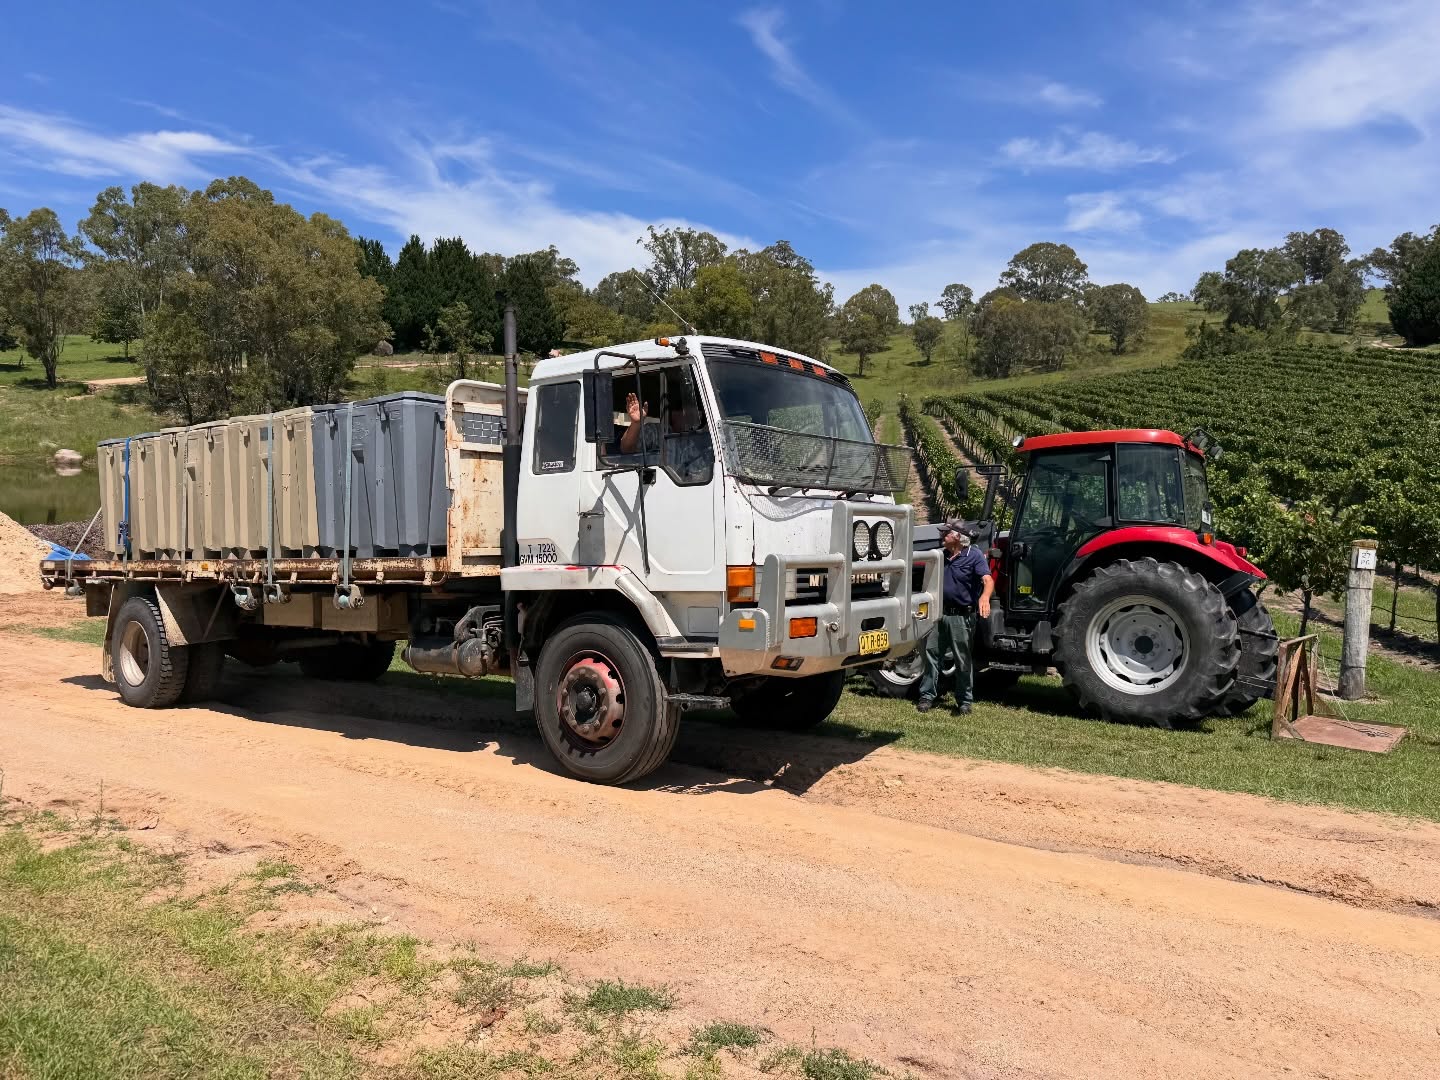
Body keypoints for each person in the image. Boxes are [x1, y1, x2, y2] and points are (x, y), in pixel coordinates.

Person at [917, 519, 994, 715]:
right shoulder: (940, 556)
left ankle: (964, 701)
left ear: (958, 537)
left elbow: (988, 580)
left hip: (961, 617)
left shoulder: (974, 555)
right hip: (939, 614)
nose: (942, 536)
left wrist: (984, 597)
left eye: (946, 533)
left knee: (962, 660)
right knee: (932, 654)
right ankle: (927, 696)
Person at [617, 391, 713, 483]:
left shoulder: (696, 442)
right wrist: (636, 423)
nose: (695, 419)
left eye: (698, 415)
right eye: (690, 414)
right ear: (674, 414)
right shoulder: (655, 431)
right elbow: (626, 449)